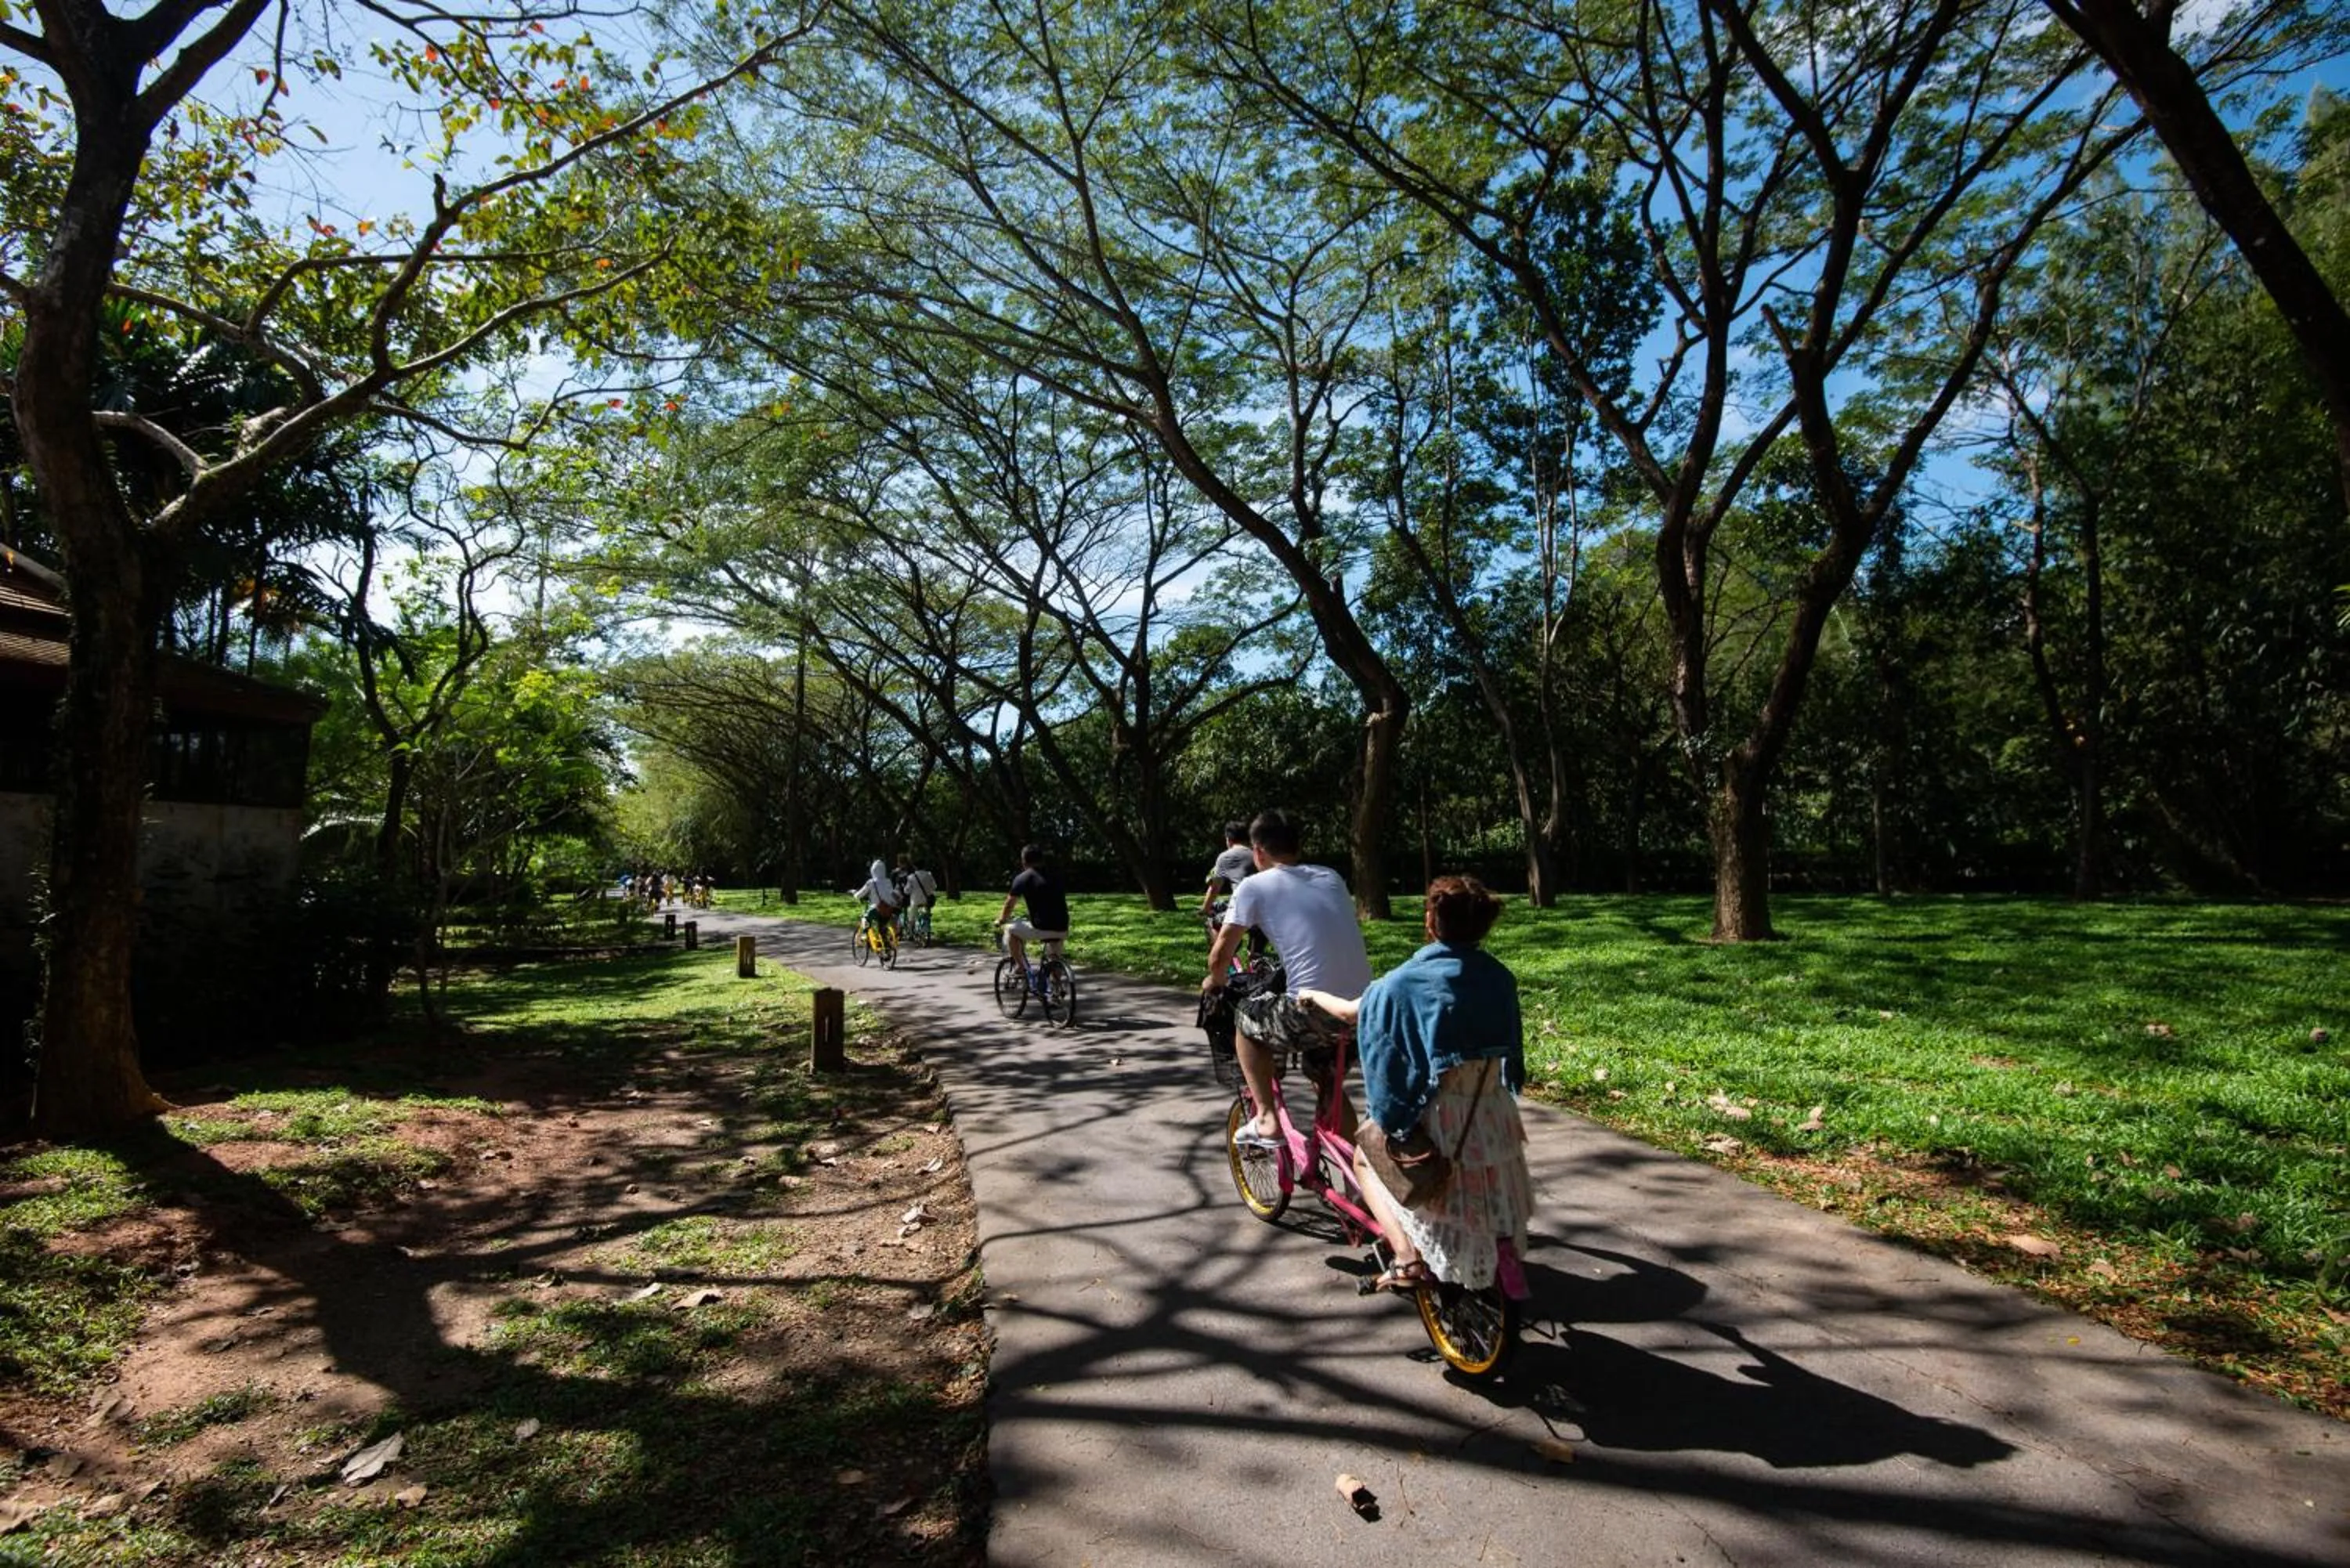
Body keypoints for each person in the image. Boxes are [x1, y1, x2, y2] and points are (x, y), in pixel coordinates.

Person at [1296, 876, 1532, 1293]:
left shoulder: (1401, 985)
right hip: (1492, 1111)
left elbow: (1353, 1013)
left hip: (1437, 1114)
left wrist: (1312, 994)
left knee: (1365, 1159)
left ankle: (1406, 1259)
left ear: (1430, 921)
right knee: (1481, 1188)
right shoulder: (1499, 977)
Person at [1201, 809, 1372, 1145]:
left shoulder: (1253, 885)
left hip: (1315, 1010)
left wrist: (1215, 981)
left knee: (1247, 1020)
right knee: (1327, 1082)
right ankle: (1358, 1178)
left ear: (1258, 852)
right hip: (1365, 1010)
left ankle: (1266, 1119)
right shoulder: (1331, 877)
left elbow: (1221, 954)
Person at [993, 844, 1068, 984]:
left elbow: (1009, 904)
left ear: (1024, 861)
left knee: (1011, 930)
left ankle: (1021, 967)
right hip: (1062, 928)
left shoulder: (1023, 878)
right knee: (1054, 958)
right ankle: (1057, 992)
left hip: (1042, 929)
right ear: (1042, 859)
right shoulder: (1056, 875)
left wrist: (1001, 920)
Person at [1198, 819, 1255, 918]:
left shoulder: (1225, 857)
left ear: (1228, 840)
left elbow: (1214, 888)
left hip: (1243, 910)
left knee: (1212, 920)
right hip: (1266, 908)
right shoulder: (1258, 855)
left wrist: (1204, 910)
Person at [850, 858, 899, 943]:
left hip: (876, 909)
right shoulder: (888, 881)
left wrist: (855, 895)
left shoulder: (871, 882)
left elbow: (861, 893)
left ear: (873, 870)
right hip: (888, 909)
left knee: (865, 918)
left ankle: (865, 934)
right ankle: (886, 943)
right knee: (883, 925)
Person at [895, 852, 939, 937]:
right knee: (927, 914)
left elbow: (907, 890)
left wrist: (906, 890)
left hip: (915, 901)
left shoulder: (911, 877)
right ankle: (927, 928)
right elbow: (934, 886)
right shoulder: (929, 875)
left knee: (912, 917)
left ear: (915, 867)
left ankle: (911, 933)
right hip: (927, 900)